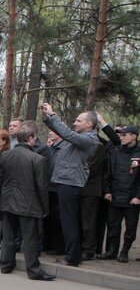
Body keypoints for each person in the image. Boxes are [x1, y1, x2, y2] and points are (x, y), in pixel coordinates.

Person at [40, 103, 101, 266]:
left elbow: (66, 133)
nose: (75, 123)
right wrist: (47, 117)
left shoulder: (89, 139)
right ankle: (72, 254)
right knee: (67, 220)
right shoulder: (80, 137)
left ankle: (72, 257)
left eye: (78, 120)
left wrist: (53, 115)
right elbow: (63, 133)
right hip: (65, 181)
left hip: (70, 183)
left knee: (69, 221)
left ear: (89, 124)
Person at [0, 122, 55, 280]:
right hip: (29, 204)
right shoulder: (37, 159)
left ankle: (6, 265)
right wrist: (45, 208)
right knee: (30, 239)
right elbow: (42, 187)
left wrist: (0, 201)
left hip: (8, 202)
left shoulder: (5, 156)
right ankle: (33, 270)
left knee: (8, 236)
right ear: (30, 139)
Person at [98, 124, 140, 261]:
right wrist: (107, 191)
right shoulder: (115, 152)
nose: (120, 137)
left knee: (130, 228)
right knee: (112, 226)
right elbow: (107, 174)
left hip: (132, 199)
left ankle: (124, 252)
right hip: (115, 197)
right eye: (120, 135)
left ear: (133, 136)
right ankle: (111, 252)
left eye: (124, 135)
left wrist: (138, 197)